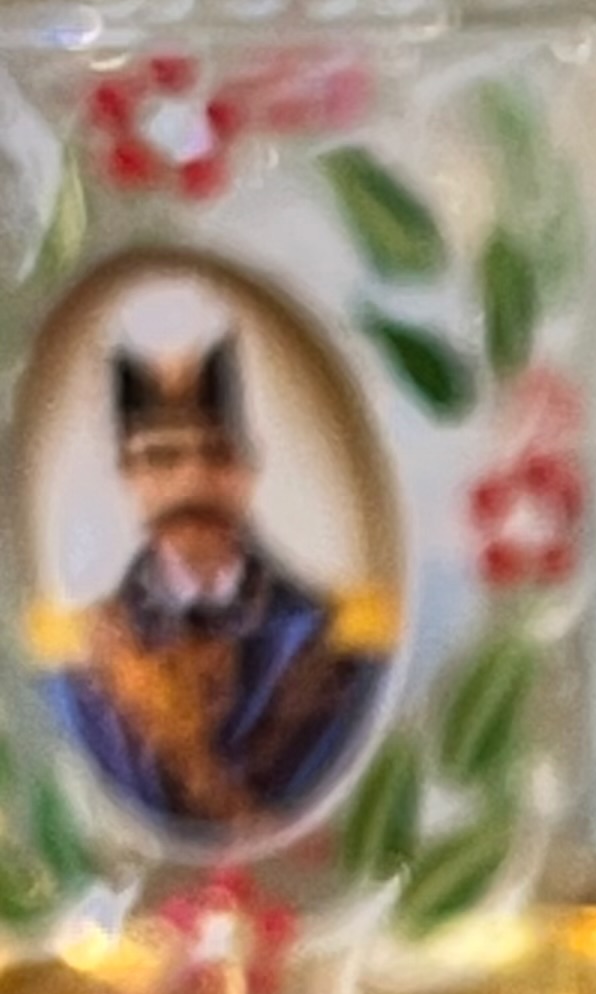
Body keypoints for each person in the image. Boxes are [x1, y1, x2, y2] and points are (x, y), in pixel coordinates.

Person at [39, 334, 386, 836]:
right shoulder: (84, 663)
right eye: (161, 457)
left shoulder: (329, 646)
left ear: (247, 471)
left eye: (217, 454)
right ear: (129, 475)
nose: (192, 481)